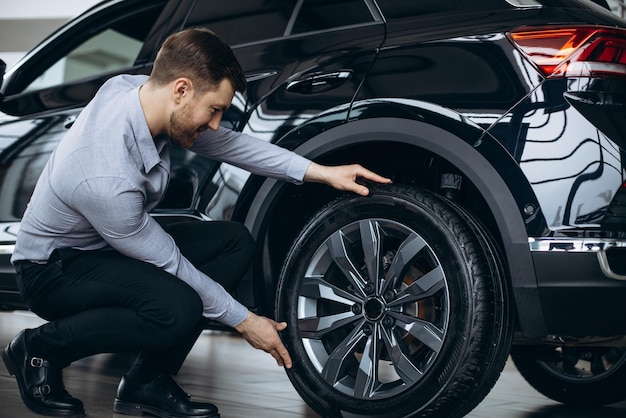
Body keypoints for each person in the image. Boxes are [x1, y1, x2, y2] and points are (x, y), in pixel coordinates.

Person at [1, 28, 391, 418]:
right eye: (215, 110)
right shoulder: (104, 177)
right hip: (52, 270)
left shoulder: (139, 92)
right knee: (177, 308)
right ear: (182, 90)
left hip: (106, 246)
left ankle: (146, 382)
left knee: (233, 242)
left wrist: (321, 172)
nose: (217, 123)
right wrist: (247, 321)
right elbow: (171, 264)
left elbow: (228, 145)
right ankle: (39, 349)